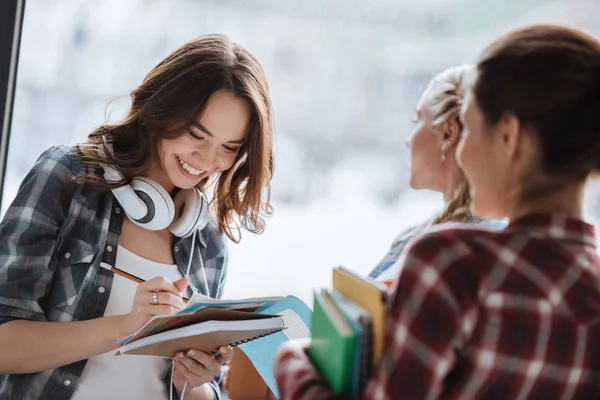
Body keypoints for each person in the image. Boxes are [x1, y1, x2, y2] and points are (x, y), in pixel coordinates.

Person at [274, 24, 600, 399]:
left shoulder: (453, 262)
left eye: (471, 130)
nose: (461, 153)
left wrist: (292, 362)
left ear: (509, 137)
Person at [0, 33, 273, 400]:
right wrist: (126, 327)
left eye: (229, 147)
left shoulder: (206, 237)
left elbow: (189, 389)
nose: (208, 161)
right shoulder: (66, 177)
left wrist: (194, 382)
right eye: (196, 134)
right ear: (161, 109)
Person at [368, 65, 505, 285]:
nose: (408, 140)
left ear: (447, 134)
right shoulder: (420, 238)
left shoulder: (463, 249)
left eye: (416, 122)